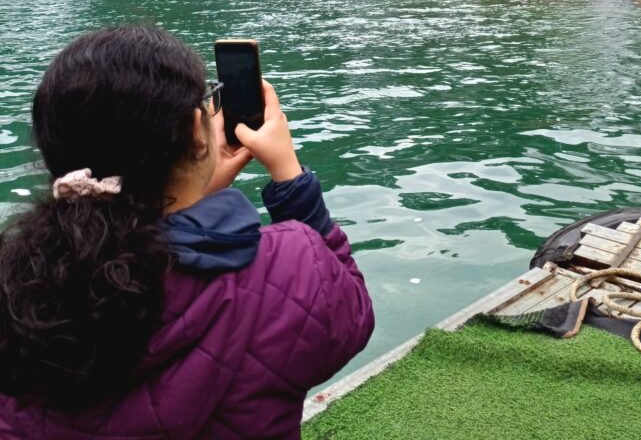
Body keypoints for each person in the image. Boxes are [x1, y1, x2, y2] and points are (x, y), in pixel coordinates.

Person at [0, 25, 374, 439]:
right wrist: (289, 175)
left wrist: (194, 188)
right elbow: (351, 313)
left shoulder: (20, 280)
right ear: (198, 128)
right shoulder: (287, 264)